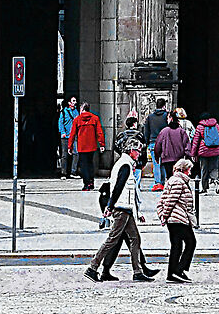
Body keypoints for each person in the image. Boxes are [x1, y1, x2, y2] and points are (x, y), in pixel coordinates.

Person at [87, 137, 157, 282]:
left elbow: (128, 191)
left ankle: (137, 271)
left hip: (126, 209)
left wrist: (136, 212)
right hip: (121, 209)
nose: (139, 154)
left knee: (135, 238)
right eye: (138, 151)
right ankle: (93, 267)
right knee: (112, 239)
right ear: (131, 151)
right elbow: (118, 188)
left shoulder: (125, 164)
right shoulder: (125, 165)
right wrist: (110, 207)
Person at [158, 158, 198, 283]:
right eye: (189, 170)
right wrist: (164, 215)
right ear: (184, 170)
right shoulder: (178, 182)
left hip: (176, 218)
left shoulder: (175, 180)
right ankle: (179, 270)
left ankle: (173, 273)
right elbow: (169, 200)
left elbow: (163, 199)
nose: (190, 173)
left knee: (177, 246)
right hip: (177, 219)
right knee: (190, 242)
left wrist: (163, 215)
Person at [70, 104, 106, 191]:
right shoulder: (95, 118)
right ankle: (91, 182)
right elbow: (99, 132)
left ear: (82, 109)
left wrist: (70, 146)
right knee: (90, 164)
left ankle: (86, 183)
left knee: (83, 165)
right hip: (92, 145)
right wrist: (101, 144)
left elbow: (72, 134)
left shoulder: (77, 119)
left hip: (82, 146)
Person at [195, 116, 219, 192]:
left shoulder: (200, 127)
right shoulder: (217, 126)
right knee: (214, 168)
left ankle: (204, 188)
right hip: (215, 150)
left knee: (204, 169)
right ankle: (215, 181)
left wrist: (193, 153)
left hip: (203, 151)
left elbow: (196, 141)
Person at [56, 98, 80, 177]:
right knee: (64, 154)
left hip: (74, 135)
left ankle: (73, 171)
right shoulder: (63, 112)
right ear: (69, 102)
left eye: (75, 101)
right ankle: (64, 172)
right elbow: (61, 123)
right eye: (73, 101)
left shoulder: (76, 111)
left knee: (76, 153)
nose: (75, 102)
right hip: (66, 136)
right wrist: (62, 132)